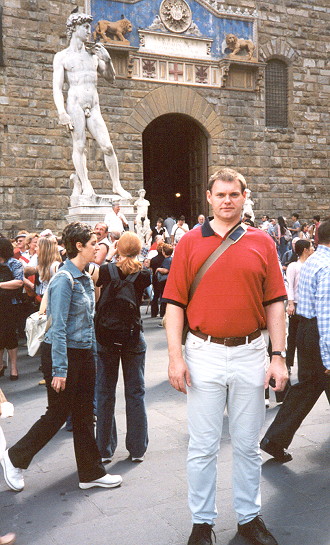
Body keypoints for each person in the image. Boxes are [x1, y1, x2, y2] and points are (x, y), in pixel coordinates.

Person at [163, 168, 288, 545]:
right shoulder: (188, 243)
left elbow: (275, 304)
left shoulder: (262, 242)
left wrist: (278, 355)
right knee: (202, 446)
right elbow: (174, 305)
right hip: (203, 352)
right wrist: (174, 356)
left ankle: (249, 517)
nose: (227, 201)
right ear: (209, 198)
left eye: (234, 194)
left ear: (244, 196)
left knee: (248, 444)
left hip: (251, 351)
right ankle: (202, 521)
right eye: (220, 195)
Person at [0, 222, 122, 491]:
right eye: (92, 244)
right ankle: (14, 458)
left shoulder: (84, 276)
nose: (97, 248)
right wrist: (60, 369)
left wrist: (90, 356)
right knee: (57, 414)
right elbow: (58, 327)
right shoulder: (63, 280)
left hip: (83, 353)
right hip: (63, 355)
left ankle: (91, 472)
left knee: (83, 414)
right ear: (78, 246)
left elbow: (87, 321)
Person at [260, 218, 330, 463]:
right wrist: (329, 355)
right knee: (311, 384)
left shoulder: (314, 261)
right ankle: (274, 439)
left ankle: (274, 439)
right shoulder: (328, 266)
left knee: (308, 386)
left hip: (305, 330)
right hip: (321, 333)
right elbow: (326, 314)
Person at [53, 12, 131, 199]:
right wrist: (61, 112)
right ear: (74, 29)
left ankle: (116, 185)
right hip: (75, 105)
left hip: (94, 106)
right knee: (79, 146)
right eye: (85, 27)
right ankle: (86, 184)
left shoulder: (93, 55)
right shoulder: (62, 57)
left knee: (108, 147)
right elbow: (56, 88)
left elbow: (111, 79)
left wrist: (108, 59)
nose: (89, 31)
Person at [95, 232, 151, 463]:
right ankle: (137, 449)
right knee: (135, 392)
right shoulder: (144, 275)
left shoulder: (106, 271)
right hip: (132, 336)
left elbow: (97, 287)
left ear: (117, 247)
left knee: (105, 393)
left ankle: (105, 448)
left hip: (107, 337)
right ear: (139, 249)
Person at [0, 239, 24, 380]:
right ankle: (1, 365)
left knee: (10, 335)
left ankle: (13, 367)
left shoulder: (14, 263)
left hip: (10, 304)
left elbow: (19, 282)